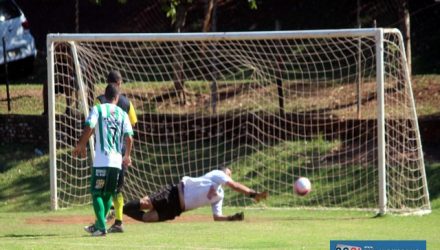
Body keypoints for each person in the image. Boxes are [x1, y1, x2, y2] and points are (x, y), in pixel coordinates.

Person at [73, 84, 134, 236]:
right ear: (117, 97)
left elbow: (89, 126)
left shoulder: (98, 109)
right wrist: (127, 155)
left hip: (102, 160)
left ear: (105, 97)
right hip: (116, 163)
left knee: (96, 193)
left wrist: (81, 144)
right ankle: (98, 225)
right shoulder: (123, 113)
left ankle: (101, 227)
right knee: (107, 194)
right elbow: (129, 137)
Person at [123, 167, 268, 222]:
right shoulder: (217, 174)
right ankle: (116, 209)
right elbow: (234, 185)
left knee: (148, 218)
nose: (228, 176)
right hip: (174, 193)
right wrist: (253, 194)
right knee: (145, 203)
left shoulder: (220, 195)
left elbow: (216, 217)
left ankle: (118, 211)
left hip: (177, 209)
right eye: (228, 174)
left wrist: (231, 218)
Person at [95, 70, 138, 233]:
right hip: (119, 152)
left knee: (100, 189)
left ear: (107, 83)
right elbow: (132, 125)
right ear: (119, 84)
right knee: (117, 188)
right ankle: (118, 221)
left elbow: (93, 121)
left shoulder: (98, 101)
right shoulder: (127, 103)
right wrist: (127, 153)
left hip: (103, 153)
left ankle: (101, 221)